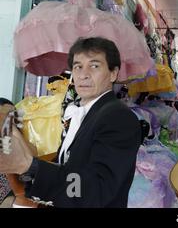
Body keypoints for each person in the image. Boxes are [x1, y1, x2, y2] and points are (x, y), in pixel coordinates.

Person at [0, 37, 142, 207]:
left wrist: (29, 166)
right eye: (77, 67)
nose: (83, 75)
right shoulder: (82, 113)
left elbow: (98, 189)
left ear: (113, 73)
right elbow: (69, 169)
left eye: (94, 66)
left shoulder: (118, 117)